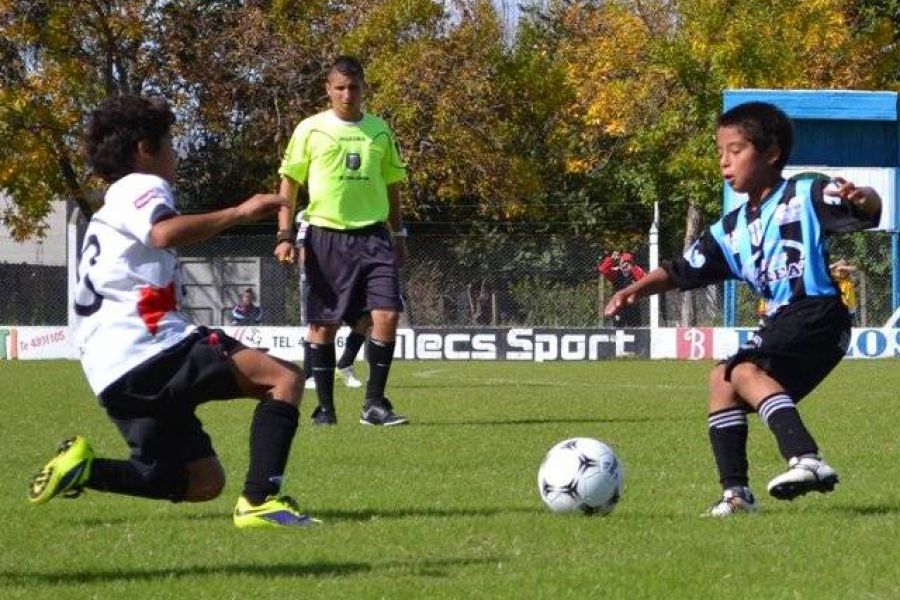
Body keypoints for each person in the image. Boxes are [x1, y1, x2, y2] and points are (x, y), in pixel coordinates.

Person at [27, 95, 317, 528]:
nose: (175, 155)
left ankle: (84, 470)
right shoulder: (141, 185)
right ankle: (261, 501)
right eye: (170, 144)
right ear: (145, 149)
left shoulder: (108, 209)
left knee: (201, 483)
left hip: (110, 372)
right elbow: (163, 233)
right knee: (284, 377)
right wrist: (239, 212)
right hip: (150, 348)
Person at [604, 101, 881, 517]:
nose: (724, 161)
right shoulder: (729, 230)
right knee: (721, 380)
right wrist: (634, 291)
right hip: (795, 322)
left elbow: (866, 211)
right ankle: (736, 496)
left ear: (770, 154)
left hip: (816, 311)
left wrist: (865, 198)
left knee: (743, 370)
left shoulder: (804, 192)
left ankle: (806, 459)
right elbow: (680, 270)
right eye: (720, 153)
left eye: (735, 151)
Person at [274, 55, 409, 427]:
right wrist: (285, 235)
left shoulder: (379, 130)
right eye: (340, 87)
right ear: (329, 90)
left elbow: (393, 184)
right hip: (325, 236)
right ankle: (325, 410)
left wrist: (398, 232)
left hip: (374, 236)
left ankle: (374, 405)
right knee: (323, 325)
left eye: (354, 87)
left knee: (387, 315)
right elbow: (290, 183)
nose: (347, 94)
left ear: (364, 88)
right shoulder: (310, 129)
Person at [295, 210, 365, 392]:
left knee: (365, 319)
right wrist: (313, 276)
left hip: (346, 278)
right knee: (319, 326)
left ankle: (344, 364)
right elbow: (302, 249)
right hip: (322, 280)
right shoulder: (308, 217)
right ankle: (309, 375)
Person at [598, 251, 646, 326]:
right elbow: (603, 270)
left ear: (632, 264)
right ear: (620, 263)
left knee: (635, 329)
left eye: (628, 262)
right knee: (618, 328)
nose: (625, 265)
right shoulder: (616, 273)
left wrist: (633, 268)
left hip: (633, 306)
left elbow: (643, 278)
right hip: (619, 306)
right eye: (624, 262)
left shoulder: (635, 273)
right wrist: (611, 259)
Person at [830, 259, 859, 326]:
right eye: (840, 271)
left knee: (853, 327)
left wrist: (842, 267)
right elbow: (826, 269)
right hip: (838, 308)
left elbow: (855, 269)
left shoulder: (849, 280)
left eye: (845, 270)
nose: (842, 272)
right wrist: (836, 264)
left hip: (850, 308)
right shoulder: (835, 280)